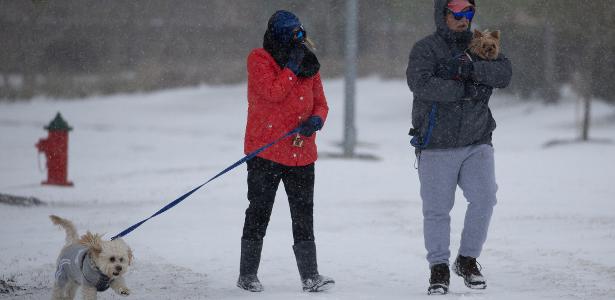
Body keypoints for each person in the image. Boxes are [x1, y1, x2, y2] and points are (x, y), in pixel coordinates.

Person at [406, 0, 512, 295]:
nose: (464, 19)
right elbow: (421, 84)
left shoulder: (481, 42)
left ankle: (467, 261)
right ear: (443, 15)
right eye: (457, 13)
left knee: (485, 198)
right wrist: (465, 87)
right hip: (436, 144)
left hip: (477, 140)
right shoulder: (426, 48)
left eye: (468, 13)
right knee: (437, 210)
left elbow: (503, 73)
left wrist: (472, 71)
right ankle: (438, 268)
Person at [237, 10, 335, 293]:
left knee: (303, 214)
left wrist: (317, 120)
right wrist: (291, 68)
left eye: (300, 33)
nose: (298, 39)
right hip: (265, 154)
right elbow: (273, 92)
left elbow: (322, 103)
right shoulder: (259, 59)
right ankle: (247, 275)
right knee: (259, 212)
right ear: (277, 35)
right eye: (292, 34)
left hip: (301, 153)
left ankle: (310, 276)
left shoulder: (308, 62)